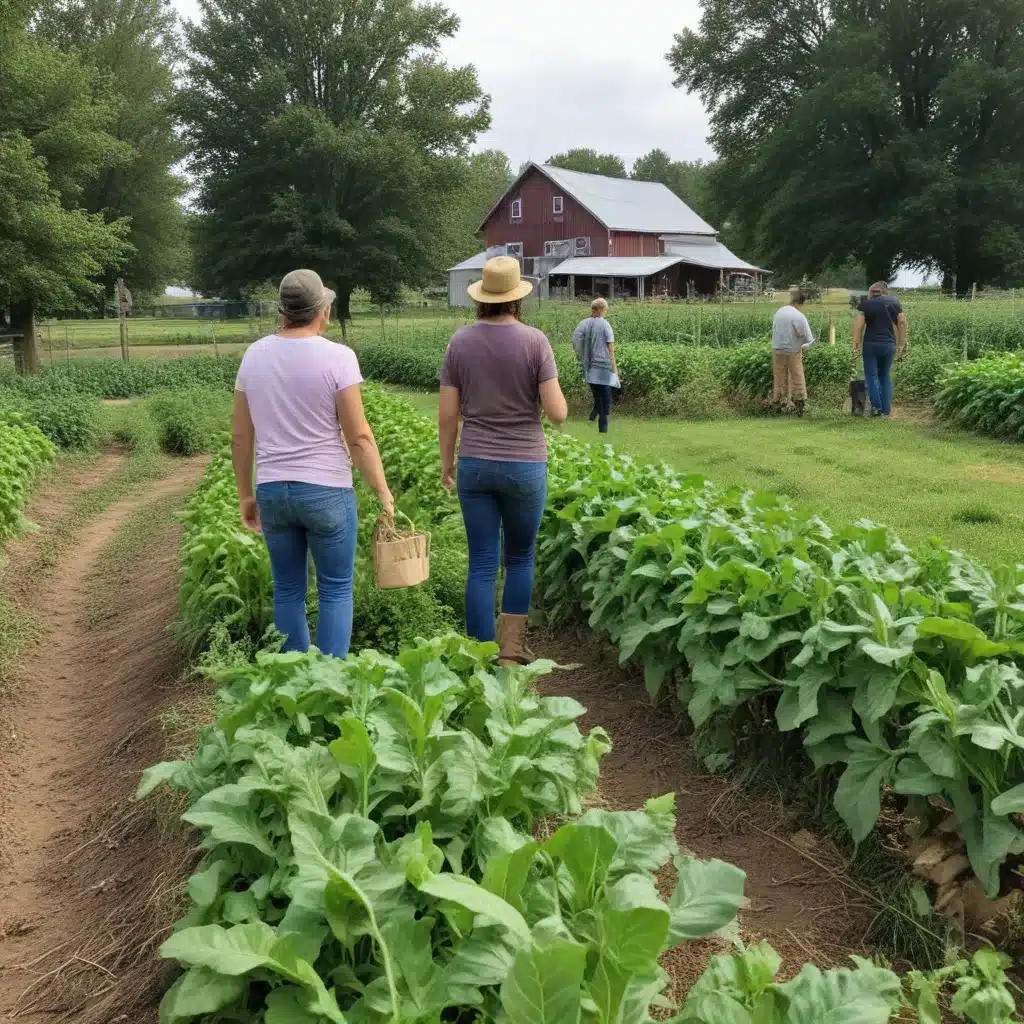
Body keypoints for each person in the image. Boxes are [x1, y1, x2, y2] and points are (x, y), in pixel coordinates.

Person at [232, 269, 394, 659]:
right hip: (327, 491)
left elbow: (240, 437)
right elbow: (358, 437)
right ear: (321, 310)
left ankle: (294, 680)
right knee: (335, 587)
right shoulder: (338, 357)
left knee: (288, 588)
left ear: (283, 311)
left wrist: (245, 496)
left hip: (273, 489)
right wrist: (383, 491)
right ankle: (330, 683)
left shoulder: (254, 355)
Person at [438, 256, 568, 665]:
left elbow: (447, 414)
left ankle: (478, 653)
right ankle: (511, 652)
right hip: (524, 464)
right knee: (519, 556)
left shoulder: (460, 342)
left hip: (475, 461)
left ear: (481, 299)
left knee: (481, 560)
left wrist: (447, 461)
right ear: (517, 299)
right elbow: (557, 413)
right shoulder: (535, 342)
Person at [854, 281, 908, 418]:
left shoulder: (867, 304)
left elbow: (859, 325)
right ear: (885, 292)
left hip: (870, 345)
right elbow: (901, 321)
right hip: (889, 345)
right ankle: (886, 411)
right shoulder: (894, 302)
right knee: (885, 375)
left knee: (871, 376)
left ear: (873, 292)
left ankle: (876, 408)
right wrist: (902, 344)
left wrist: (856, 345)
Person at [572, 297, 620, 434]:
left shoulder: (583, 324)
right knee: (606, 401)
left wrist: (582, 358)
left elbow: (576, 342)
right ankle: (603, 431)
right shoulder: (605, 325)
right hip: (603, 368)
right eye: (605, 309)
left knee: (598, 397)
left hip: (589, 368)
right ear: (602, 309)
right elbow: (611, 350)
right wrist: (615, 371)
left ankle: (592, 418)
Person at [770, 287, 815, 416]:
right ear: (801, 303)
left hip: (777, 349)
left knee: (779, 377)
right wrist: (806, 345)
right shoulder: (798, 315)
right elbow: (807, 337)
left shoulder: (779, 312)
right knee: (797, 377)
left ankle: (778, 402)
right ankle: (800, 403)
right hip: (793, 350)